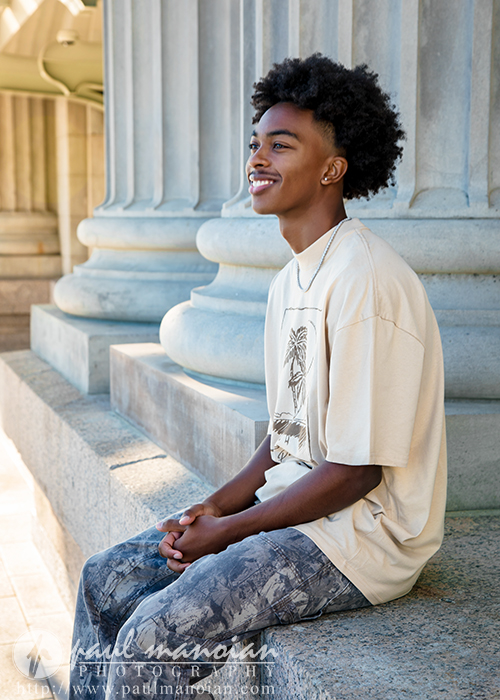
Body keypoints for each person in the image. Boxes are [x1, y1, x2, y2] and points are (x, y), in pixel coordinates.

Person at [69, 54, 447, 700]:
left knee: (149, 642)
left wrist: (234, 530)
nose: (257, 158)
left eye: (281, 144)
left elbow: (357, 471)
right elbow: (286, 436)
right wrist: (216, 504)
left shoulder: (367, 281)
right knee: (104, 581)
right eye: (255, 143)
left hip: (360, 541)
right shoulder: (286, 284)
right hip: (295, 517)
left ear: (333, 167)